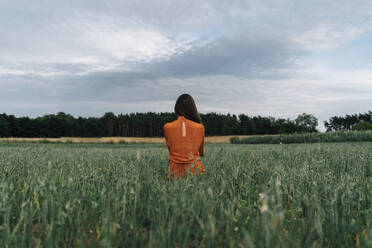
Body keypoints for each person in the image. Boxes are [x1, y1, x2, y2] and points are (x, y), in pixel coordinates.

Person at [164, 94, 205, 178]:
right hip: (195, 171)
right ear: (193, 108)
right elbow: (200, 152)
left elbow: (171, 150)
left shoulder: (167, 127)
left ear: (177, 108)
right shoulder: (200, 127)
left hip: (174, 173)